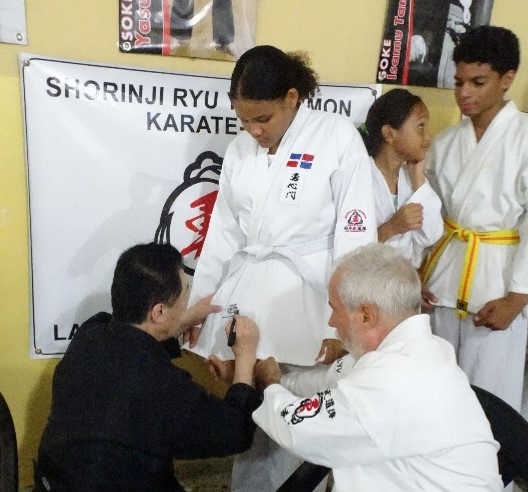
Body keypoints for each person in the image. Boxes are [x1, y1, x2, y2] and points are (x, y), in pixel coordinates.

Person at [187, 44, 376, 491]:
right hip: (252, 293)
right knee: (254, 418)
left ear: (292, 98)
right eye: (244, 121)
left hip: (313, 297)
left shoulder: (336, 136)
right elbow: (224, 235)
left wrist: (342, 321)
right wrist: (202, 308)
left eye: (263, 119)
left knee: (304, 417)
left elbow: (355, 234)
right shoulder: (239, 150)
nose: (253, 131)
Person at [253, 243, 503, 492]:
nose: (331, 322)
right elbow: (329, 385)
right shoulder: (422, 349)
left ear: (366, 315)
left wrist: (269, 383)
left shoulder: (393, 379)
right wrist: (283, 381)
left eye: (335, 309)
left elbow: (298, 428)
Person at [33, 242, 261, 492]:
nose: (188, 301)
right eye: (186, 294)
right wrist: (245, 357)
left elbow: (133, 346)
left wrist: (179, 321)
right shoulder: (163, 387)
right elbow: (235, 433)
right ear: (159, 312)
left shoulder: (91, 334)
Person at [421, 25, 528, 411]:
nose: (464, 92)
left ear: (507, 79)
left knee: (490, 399)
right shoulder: (446, 143)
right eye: (459, 82)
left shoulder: (524, 138)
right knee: (437, 391)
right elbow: (430, 214)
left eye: (477, 82)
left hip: (499, 284)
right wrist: (418, 273)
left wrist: (518, 296)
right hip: (444, 279)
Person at [358, 88, 443, 267]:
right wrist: (391, 228)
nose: (428, 137)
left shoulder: (411, 179)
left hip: (403, 279)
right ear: (389, 133)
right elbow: (348, 244)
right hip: (365, 278)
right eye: (420, 126)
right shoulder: (360, 176)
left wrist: (419, 180)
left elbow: (430, 236)